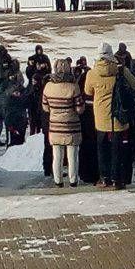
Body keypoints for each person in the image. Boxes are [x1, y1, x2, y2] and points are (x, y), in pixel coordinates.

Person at [83, 43, 135, 189]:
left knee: (103, 149)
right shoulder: (120, 70)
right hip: (120, 115)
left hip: (101, 117)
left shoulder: (92, 73)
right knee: (119, 149)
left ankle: (105, 178)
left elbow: (88, 91)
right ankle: (118, 179)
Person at [42, 59, 85, 188]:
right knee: (72, 156)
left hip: (55, 126)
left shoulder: (48, 86)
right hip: (71, 127)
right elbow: (79, 109)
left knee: (57, 156)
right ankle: (73, 181)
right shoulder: (73, 87)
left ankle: (58, 181)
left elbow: (45, 107)